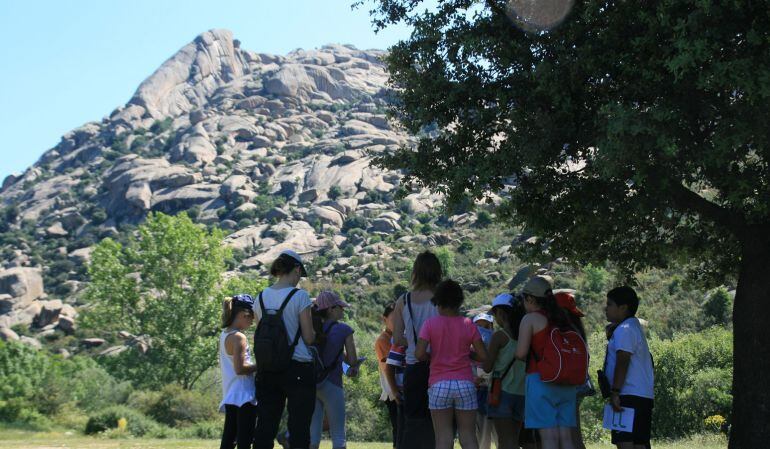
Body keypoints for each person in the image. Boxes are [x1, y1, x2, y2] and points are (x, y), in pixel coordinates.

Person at [253, 250, 316, 449]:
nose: (299, 279)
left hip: (268, 369)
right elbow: (308, 337)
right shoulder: (300, 296)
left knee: (265, 426)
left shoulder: (260, 297)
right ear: (296, 269)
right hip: (297, 368)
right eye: (300, 274)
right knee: (299, 428)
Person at [416, 279, 488, 449]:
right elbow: (483, 355)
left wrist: (431, 356)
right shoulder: (468, 324)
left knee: (443, 438)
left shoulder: (430, 324)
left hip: (439, 384)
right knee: (468, 436)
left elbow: (418, 354)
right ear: (459, 302)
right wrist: (467, 354)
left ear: (438, 302)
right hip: (465, 383)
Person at [515, 275, 579, 449]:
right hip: (567, 382)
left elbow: (521, 353)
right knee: (566, 437)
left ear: (529, 298)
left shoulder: (530, 319)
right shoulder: (563, 319)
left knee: (548, 437)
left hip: (540, 381)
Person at [390, 251, 443, 449]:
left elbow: (396, 338)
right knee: (437, 421)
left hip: (413, 367)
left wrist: (414, 342)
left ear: (416, 272)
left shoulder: (404, 300)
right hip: (439, 367)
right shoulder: (442, 299)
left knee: (412, 420)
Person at [604, 286, 654, 449]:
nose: (606, 308)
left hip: (627, 395)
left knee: (624, 442)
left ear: (623, 307)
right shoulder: (633, 327)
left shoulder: (625, 330)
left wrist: (615, 392)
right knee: (640, 443)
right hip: (642, 395)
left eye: (610, 304)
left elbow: (623, 360)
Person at [309, 291, 360, 449]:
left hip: (312, 384)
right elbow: (352, 360)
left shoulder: (311, 328)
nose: (343, 310)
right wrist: (355, 366)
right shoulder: (344, 330)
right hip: (332, 384)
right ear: (331, 309)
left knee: (313, 436)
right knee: (338, 435)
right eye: (340, 307)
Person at [482, 293, 528, 449]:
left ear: (500, 313)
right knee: (513, 439)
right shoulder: (526, 336)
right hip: (522, 393)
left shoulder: (500, 336)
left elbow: (487, 366)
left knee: (506, 442)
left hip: (501, 393)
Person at [219, 294, 258, 449]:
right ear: (243, 314)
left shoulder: (224, 335)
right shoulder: (239, 337)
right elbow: (240, 369)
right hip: (244, 395)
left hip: (230, 394)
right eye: (251, 317)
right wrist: (262, 366)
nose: (252, 321)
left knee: (228, 440)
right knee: (244, 441)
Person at [555, 290, 590, 449]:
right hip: (579, 383)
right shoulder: (578, 331)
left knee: (570, 433)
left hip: (566, 384)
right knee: (573, 431)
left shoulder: (561, 332)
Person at [376, 302, 400, 449]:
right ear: (384, 319)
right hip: (393, 391)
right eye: (394, 319)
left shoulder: (399, 337)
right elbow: (388, 368)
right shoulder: (383, 340)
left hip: (400, 388)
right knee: (398, 428)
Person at [471, 312, 496, 449]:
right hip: (477, 391)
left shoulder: (498, 340)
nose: (482, 330)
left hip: (496, 390)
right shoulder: (467, 344)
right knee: (481, 435)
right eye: (478, 326)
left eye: (486, 326)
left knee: (499, 433)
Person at [385, 341, 407, 449]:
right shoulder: (401, 340)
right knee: (403, 433)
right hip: (404, 396)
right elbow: (389, 367)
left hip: (424, 394)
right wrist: (395, 392)